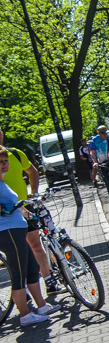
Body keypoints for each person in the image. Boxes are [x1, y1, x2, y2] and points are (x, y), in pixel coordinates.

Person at [0, 146, 60, 327]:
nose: (4, 165)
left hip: (17, 229)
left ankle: (42, 306)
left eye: (5, 161)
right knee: (19, 275)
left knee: (32, 267)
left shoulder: (3, 182)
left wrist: (26, 212)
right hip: (7, 232)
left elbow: (15, 203)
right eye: (0, 162)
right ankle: (25, 316)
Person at [0, 125, 57, 293]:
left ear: (2, 134)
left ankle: (49, 281)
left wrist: (33, 193)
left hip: (24, 209)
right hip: (4, 217)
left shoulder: (15, 154)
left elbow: (32, 172)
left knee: (35, 245)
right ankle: (23, 293)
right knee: (16, 255)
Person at [89, 125, 109, 207]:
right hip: (103, 163)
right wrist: (95, 162)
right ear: (98, 133)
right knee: (108, 183)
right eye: (103, 133)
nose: (105, 135)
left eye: (106, 133)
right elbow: (93, 153)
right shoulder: (95, 140)